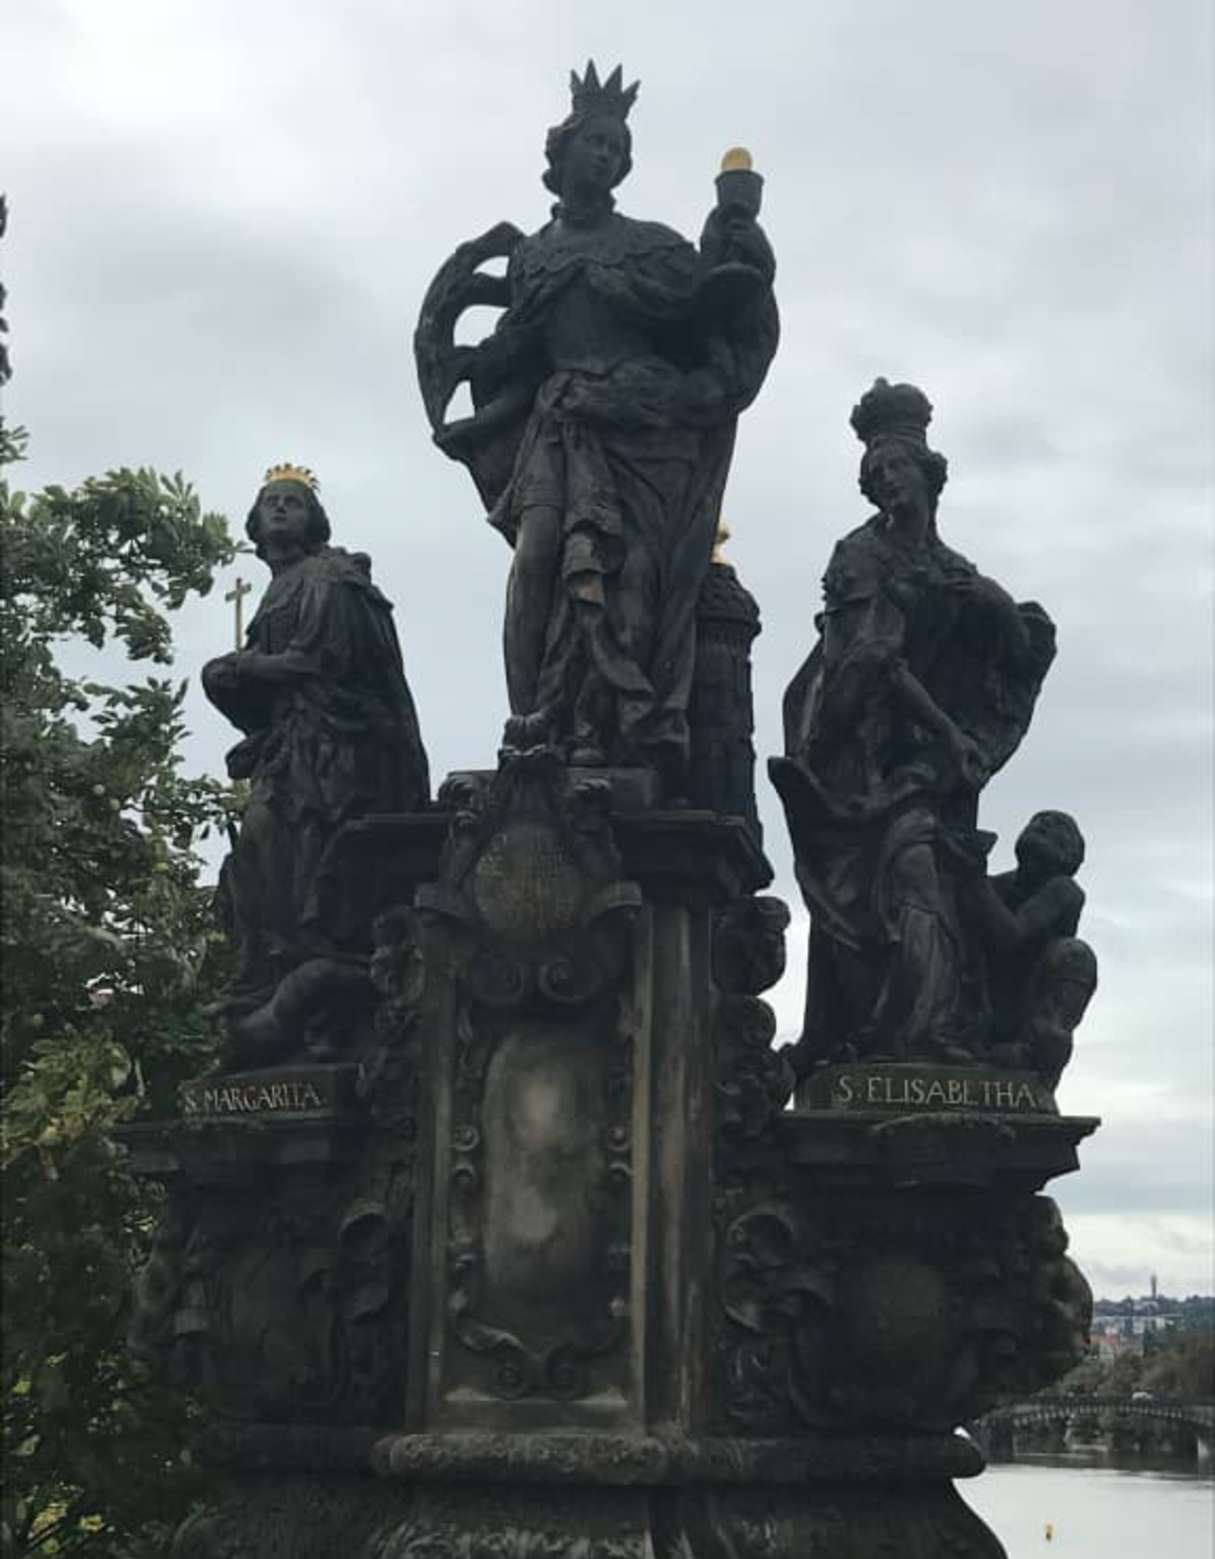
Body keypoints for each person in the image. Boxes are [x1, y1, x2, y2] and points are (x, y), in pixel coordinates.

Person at [421, 62, 778, 787]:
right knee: (538, 559)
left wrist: (738, 235)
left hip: (642, 432)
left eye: (617, 148)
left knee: (633, 572)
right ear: (563, 151)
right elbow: (519, 347)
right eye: (596, 142)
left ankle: (611, 728)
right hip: (559, 425)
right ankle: (534, 719)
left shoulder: (651, 246)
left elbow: (714, 310)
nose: (607, 156)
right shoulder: (533, 255)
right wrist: (464, 361)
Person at [772, 381, 1056, 1069]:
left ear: (928, 474)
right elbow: (871, 660)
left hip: (925, 761)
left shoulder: (954, 570)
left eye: (895, 468)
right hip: (855, 751)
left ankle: (928, 1027)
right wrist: (948, 735)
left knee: (932, 873)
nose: (885, 482)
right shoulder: (858, 555)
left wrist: (994, 606)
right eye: (874, 475)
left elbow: (1011, 657)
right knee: (889, 875)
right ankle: (908, 1035)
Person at [203, 466, 429, 1012]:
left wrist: (243, 666)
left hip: (335, 751)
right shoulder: (280, 587)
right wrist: (229, 681)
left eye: (294, 502)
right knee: (258, 847)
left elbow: (314, 662)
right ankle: (269, 966)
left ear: (314, 521)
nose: (281, 508)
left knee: (284, 841)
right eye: (271, 502)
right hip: (294, 744)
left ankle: (305, 956)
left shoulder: (327, 577)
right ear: (255, 524)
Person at [977, 810, 1097, 1082]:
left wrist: (974, 877)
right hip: (989, 994)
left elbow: (1011, 935)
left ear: (1069, 851)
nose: (1041, 825)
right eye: (1037, 822)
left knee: (1075, 954)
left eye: (1054, 826)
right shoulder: (999, 885)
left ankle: (1036, 1055)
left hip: (1030, 998)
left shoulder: (1064, 890)